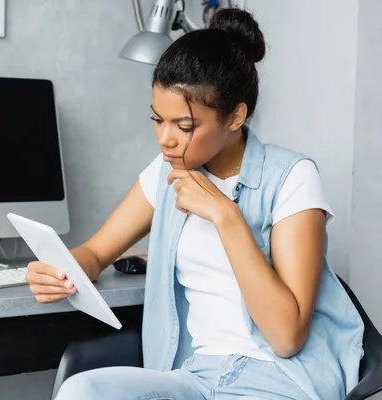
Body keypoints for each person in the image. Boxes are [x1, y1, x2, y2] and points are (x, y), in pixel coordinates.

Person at [26, 8, 364, 400]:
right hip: (196, 376)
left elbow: (286, 336)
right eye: (158, 119)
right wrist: (63, 271)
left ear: (235, 116)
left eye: (184, 126)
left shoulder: (291, 177)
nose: (165, 139)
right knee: (82, 389)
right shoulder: (165, 172)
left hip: (281, 379)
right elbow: (95, 252)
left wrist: (225, 215)